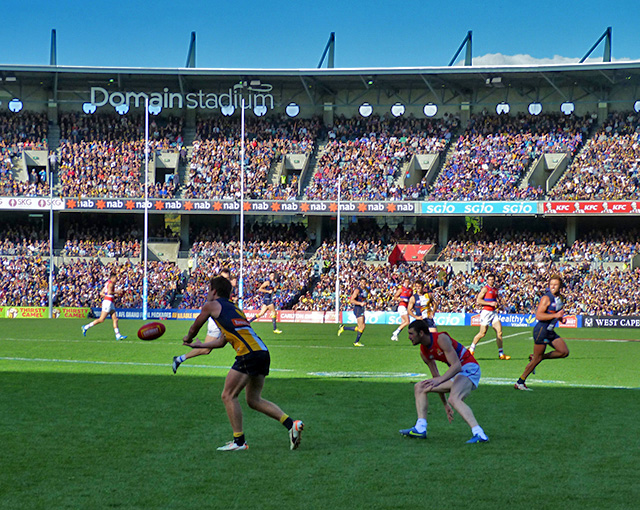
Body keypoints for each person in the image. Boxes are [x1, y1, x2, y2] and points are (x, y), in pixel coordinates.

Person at [182, 276, 304, 451]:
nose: (207, 293)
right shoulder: (235, 310)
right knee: (253, 400)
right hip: (262, 352)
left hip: (248, 354)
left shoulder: (211, 306)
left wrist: (188, 338)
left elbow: (195, 327)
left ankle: (239, 441)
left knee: (228, 395)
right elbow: (222, 341)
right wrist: (201, 345)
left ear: (214, 292)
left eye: (209, 290)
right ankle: (291, 424)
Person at [400, 320, 489, 444]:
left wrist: (440, 380)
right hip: (458, 373)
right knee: (420, 387)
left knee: (455, 398)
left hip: (469, 368)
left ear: (421, 333)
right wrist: (445, 404)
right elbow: (436, 377)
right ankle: (420, 428)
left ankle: (479, 434)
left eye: (411, 334)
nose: (409, 337)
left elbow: (456, 365)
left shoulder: (441, 338)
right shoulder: (424, 351)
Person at [514, 275, 570, 391]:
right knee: (536, 360)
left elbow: (555, 313)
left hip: (550, 331)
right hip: (541, 330)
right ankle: (520, 382)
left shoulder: (561, 298)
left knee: (564, 352)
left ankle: (538, 357)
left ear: (560, 286)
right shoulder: (546, 298)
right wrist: (556, 316)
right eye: (551, 285)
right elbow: (539, 315)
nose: (553, 287)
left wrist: (561, 319)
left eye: (555, 285)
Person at [172, 268, 233, 374]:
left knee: (209, 348)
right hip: (217, 320)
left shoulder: (228, 288)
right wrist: (189, 337)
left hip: (224, 317)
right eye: (223, 278)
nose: (225, 281)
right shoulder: (216, 292)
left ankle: (179, 359)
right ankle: (179, 359)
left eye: (227, 278)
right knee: (206, 349)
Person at [468, 273, 510, 360]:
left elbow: (495, 299)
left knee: (499, 332)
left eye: (492, 279)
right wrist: (490, 303)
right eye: (489, 279)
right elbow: (478, 300)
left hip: (493, 313)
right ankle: (471, 349)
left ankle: (501, 353)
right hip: (486, 312)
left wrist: (500, 305)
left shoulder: (495, 289)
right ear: (487, 280)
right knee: (482, 333)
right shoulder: (485, 289)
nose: (491, 281)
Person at [81, 271, 127, 340]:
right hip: (108, 302)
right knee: (101, 319)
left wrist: (110, 295)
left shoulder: (107, 283)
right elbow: (109, 292)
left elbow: (101, 293)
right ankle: (86, 327)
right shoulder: (111, 284)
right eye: (116, 278)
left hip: (109, 302)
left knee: (115, 319)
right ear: (113, 278)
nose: (116, 279)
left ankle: (118, 335)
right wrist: (117, 292)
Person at [337, 276, 368, 347]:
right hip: (358, 308)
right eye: (362, 282)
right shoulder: (357, 290)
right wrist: (360, 303)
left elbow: (364, 298)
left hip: (362, 308)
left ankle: (344, 328)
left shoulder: (365, 290)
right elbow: (351, 300)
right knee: (361, 326)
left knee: (362, 326)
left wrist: (365, 302)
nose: (363, 283)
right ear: (360, 282)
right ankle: (356, 342)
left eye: (364, 282)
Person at [390, 277, 412, 341]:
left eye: (408, 282)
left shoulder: (410, 290)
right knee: (407, 321)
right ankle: (395, 332)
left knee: (403, 323)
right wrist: (401, 299)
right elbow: (394, 297)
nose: (407, 283)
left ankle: (395, 335)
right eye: (406, 282)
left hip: (406, 307)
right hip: (402, 306)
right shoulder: (401, 289)